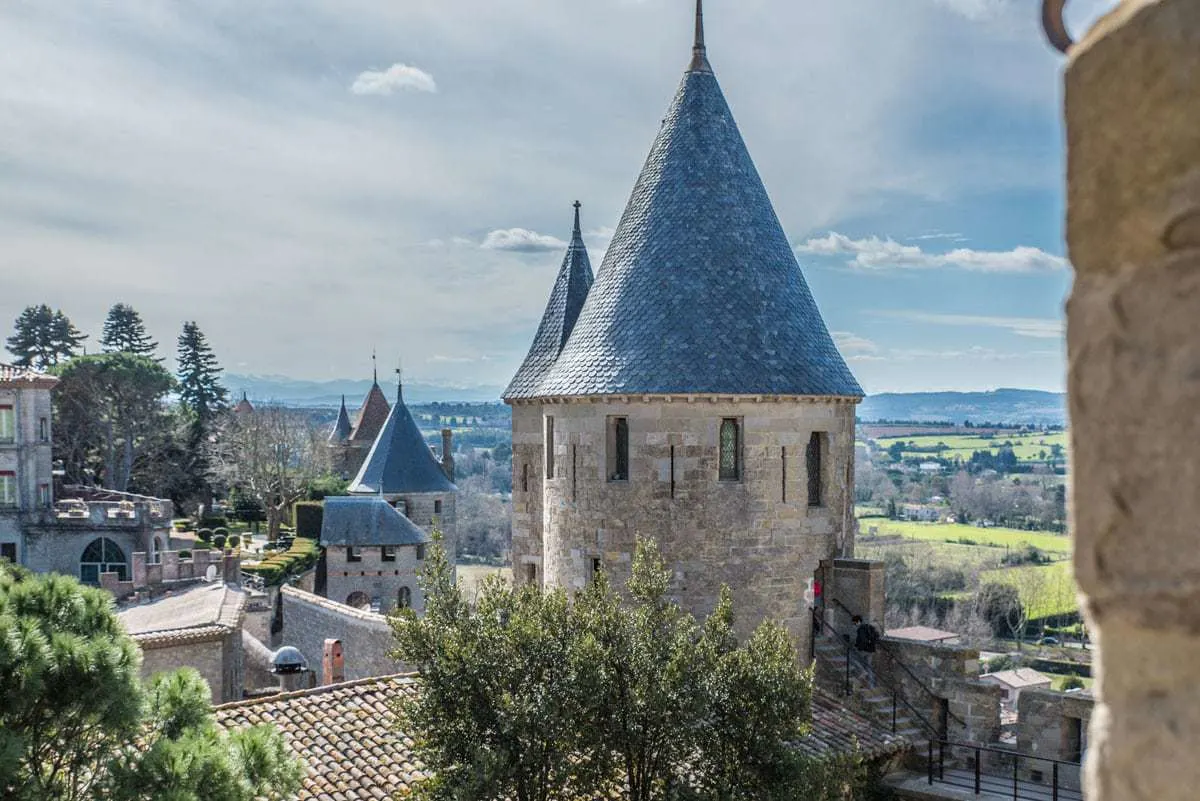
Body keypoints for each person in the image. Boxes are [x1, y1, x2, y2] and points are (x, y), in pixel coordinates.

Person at [852, 614, 879, 688]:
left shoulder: (861, 629)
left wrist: (858, 647)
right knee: (869, 667)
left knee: (853, 659)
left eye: (854, 623)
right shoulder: (868, 626)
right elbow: (876, 635)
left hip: (864, 650)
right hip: (871, 650)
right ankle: (871, 685)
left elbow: (863, 640)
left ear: (858, 622)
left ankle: (862, 671)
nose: (854, 625)